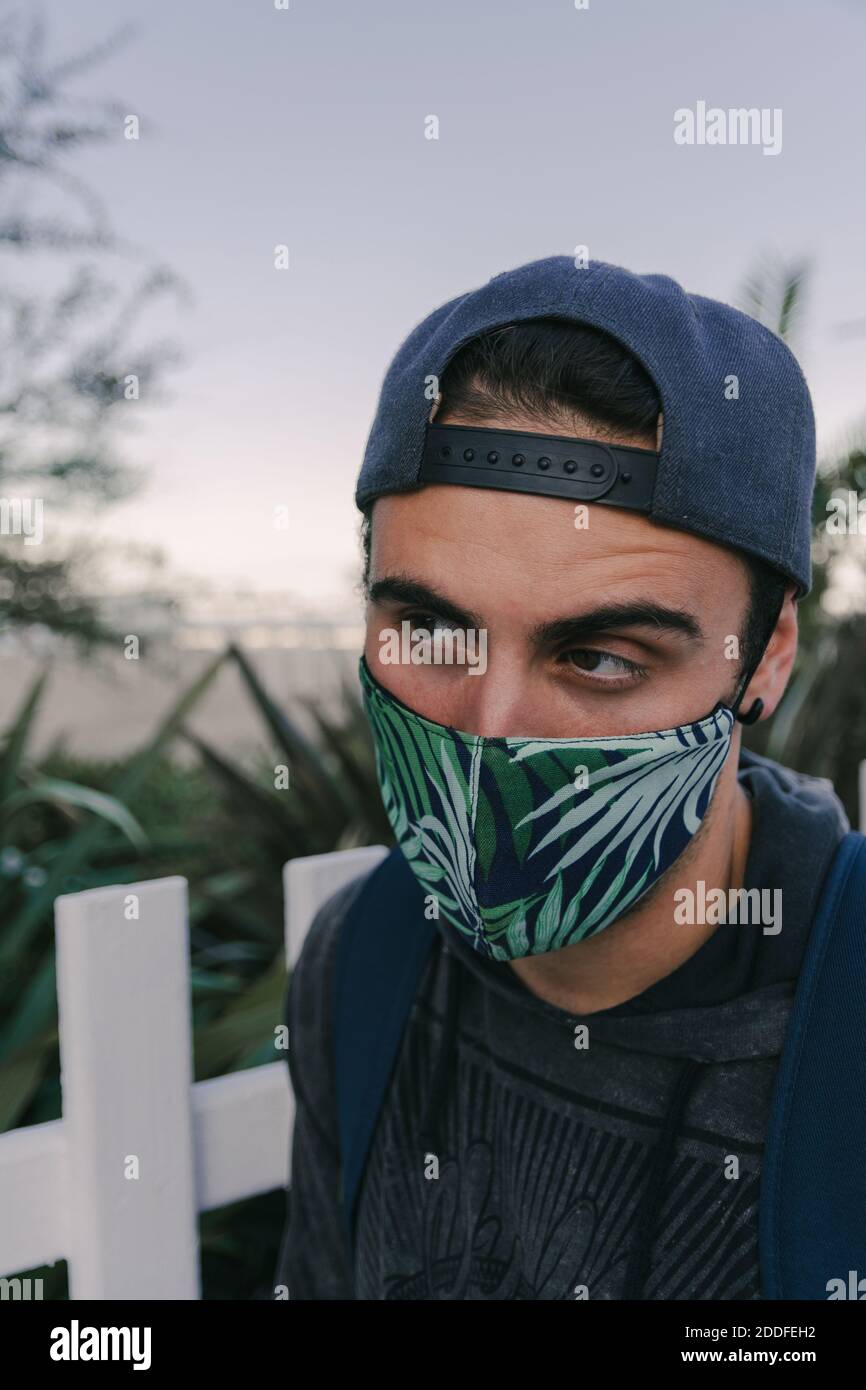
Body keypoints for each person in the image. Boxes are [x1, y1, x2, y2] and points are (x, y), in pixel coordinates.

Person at [276, 256, 852, 1300]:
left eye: (598, 657)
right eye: (432, 629)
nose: (492, 733)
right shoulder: (361, 962)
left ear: (763, 659)